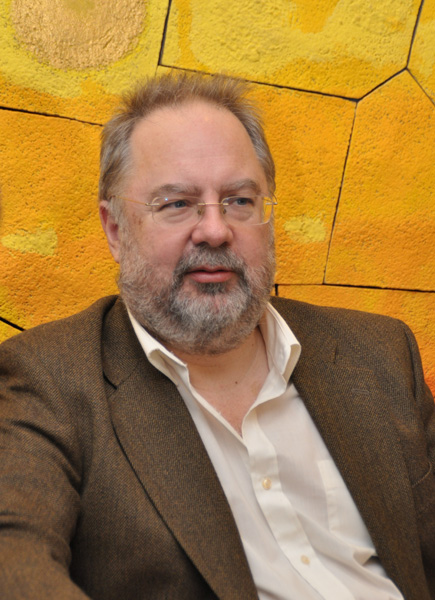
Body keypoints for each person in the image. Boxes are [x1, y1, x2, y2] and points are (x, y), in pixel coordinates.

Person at [0, 72, 434, 600]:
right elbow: (13, 564)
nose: (214, 229)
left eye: (239, 201)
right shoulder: (47, 380)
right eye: (176, 203)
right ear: (115, 230)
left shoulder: (379, 353)